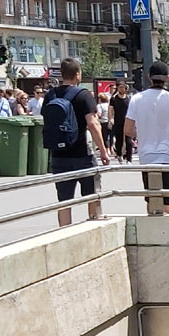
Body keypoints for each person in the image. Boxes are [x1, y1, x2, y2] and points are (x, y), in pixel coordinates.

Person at [43, 57, 111, 225]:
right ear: (78, 75)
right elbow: (93, 124)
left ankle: (64, 232)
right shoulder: (83, 95)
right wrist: (103, 151)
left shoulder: (50, 95)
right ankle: (92, 227)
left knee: (64, 200)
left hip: (58, 155)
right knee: (93, 196)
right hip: (82, 153)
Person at [124, 60, 169, 217]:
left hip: (147, 157)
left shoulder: (137, 99)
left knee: (152, 201)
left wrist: (141, 134)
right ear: (167, 78)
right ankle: (167, 235)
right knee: (168, 203)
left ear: (149, 77)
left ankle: (152, 233)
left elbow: (127, 129)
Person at [111, 85, 133, 162]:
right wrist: (111, 118)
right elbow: (110, 109)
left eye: (123, 87)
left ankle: (129, 158)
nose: (121, 89)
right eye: (120, 87)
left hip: (128, 121)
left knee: (129, 140)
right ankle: (119, 154)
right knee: (119, 139)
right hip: (118, 121)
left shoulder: (129, 98)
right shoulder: (114, 99)